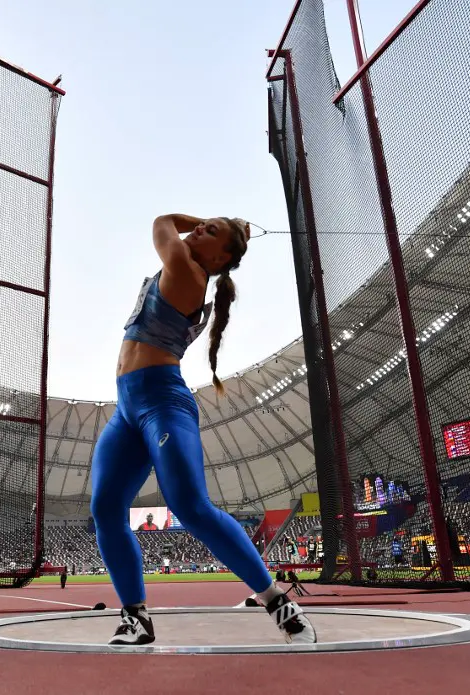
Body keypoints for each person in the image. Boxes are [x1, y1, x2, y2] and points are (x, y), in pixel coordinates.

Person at [90, 214, 316, 646]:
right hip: (128, 407)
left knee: (190, 507)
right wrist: (224, 225)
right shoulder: (189, 263)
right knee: (105, 509)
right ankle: (136, 617)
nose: (196, 231)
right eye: (200, 226)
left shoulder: (186, 271)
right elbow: (178, 229)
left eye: (209, 232)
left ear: (222, 258)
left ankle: (278, 603)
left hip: (162, 403)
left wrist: (218, 221)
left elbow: (160, 221)